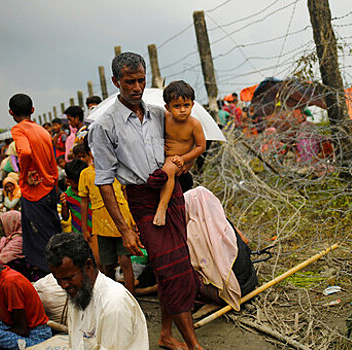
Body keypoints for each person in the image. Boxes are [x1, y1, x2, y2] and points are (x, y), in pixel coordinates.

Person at [88, 52, 202, 350]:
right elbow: (103, 181)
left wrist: (184, 162)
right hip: (141, 200)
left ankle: (166, 334)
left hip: (171, 194)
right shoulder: (104, 126)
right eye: (129, 82)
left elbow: (183, 145)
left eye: (141, 80)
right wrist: (124, 228)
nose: (137, 87)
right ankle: (194, 345)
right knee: (169, 268)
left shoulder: (158, 113)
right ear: (116, 82)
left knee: (176, 266)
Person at [45, 233, 149, 350]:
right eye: (58, 280)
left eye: (68, 278)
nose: (63, 286)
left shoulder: (114, 305)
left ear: (88, 265)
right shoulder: (78, 293)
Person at [9, 93, 61, 275]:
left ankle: (52, 277)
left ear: (11, 112)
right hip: (50, 188)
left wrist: (26, 173)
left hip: (35, 192)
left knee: (38, 241)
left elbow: (24, 152)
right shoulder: (42, 131)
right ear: (32, 110)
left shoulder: (18, 130)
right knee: (53, 236)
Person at [78, 136, 136, 293]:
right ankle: (113, 298)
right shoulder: (86, 174)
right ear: (89, 152)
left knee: (125, 261)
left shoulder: (118, 168)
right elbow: (84, 202)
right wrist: (84, 229)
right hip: (101, 222)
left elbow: (125, 193)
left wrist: (132, 219)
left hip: (122, 220)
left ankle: (132, 300)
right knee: (107, 265)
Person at [153, 80, 206, 226]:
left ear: (192, 105)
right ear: (167, 107)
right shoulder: (164, 119)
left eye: (186, 105)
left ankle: (162, 208)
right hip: (162, 156)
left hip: (177, 160)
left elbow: (201, 146)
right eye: (177, 106)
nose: (182, 109)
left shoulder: (194, 124)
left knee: (168, 170)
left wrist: (184, 158)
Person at [60, 160, 98, 262]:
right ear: (68, 180)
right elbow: (65, 217)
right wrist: (64, 206)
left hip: (95, 231)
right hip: (78, 234)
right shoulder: (67, 195)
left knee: (97, 260)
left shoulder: (92, 190)